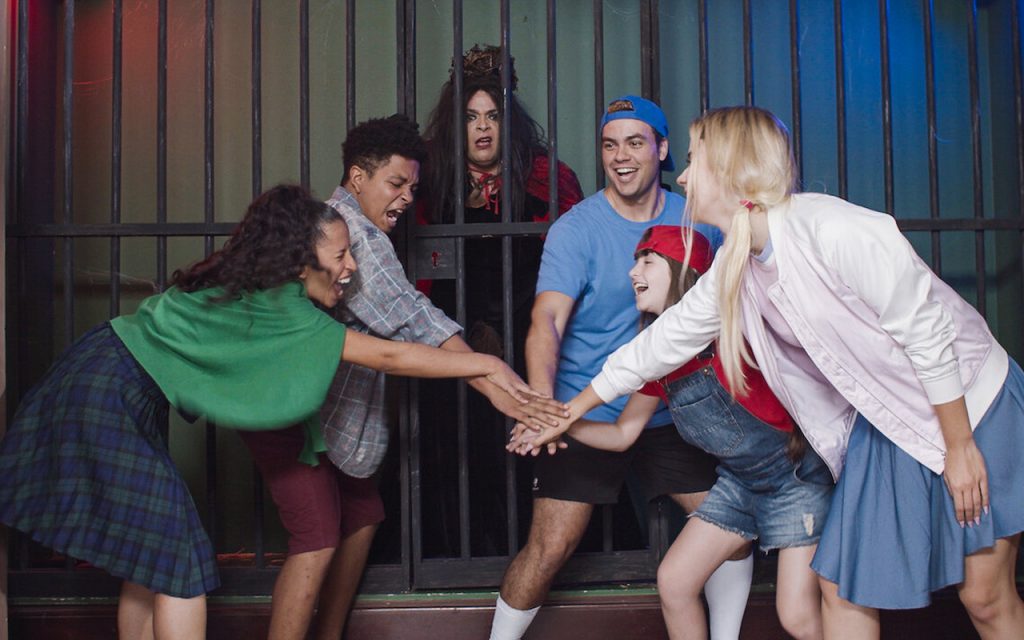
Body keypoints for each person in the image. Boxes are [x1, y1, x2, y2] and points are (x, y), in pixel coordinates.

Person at [527, 105, 1024, 639]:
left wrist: (960, 446)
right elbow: (661, 342)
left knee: (984, 596)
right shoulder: (736, 262)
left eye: (695, 162)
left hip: (970, 402)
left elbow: (927, 333)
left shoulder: (834, 228)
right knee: (840, 586)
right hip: (889, 422)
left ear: (732, 169)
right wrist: (571, 410)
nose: (684, 178)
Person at [0, 185, 559, 640]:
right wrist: (485, 363)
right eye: (340, 256)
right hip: (106, 391)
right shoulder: (286, 310)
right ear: (299, 263)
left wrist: (487, 372)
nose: (351, 267)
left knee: (150, 560)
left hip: (106, 378)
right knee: (180, 561)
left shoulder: (267, 288)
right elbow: (389, 355)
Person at [239, 117, 566, 640]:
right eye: (396, 183)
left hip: (323, 417)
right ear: (357, 177)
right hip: (299, 417)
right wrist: (497, 384)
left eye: (413, 187)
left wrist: (500, 384)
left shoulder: (348, 227)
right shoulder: (354, 233)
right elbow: (413, 321)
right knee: (318, 536)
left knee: (364, 514)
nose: (408, 197)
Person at [488, 96, 753, 640]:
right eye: (610, 145)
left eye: (635, 142)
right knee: (550, 545)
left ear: (662, 148)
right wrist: (542, 406)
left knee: (732, 529)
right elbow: (546, 321)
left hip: (673, 409)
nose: (621, 156)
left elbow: (739, 301)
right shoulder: (576, 228)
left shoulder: (700, 217)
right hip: (587, 406)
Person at [512, 225, 830, 639]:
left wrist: (564, 417)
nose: (633, 272)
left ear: (684, 270)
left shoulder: (729, 326)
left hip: (794, 478)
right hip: (740, 483)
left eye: (647, 260)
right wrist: (556, 427)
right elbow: (623, 434)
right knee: (675, 581)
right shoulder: (656, 362)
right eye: (635, 262)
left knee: (797, 615)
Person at [417, 44, 584, 555]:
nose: (483, 128)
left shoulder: (546, 177)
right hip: (452, 344)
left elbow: (572, 264)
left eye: (492, 116)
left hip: (527, 334)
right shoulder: (430, 179)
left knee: (532, 447)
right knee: (456, 452)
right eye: (471, 117)